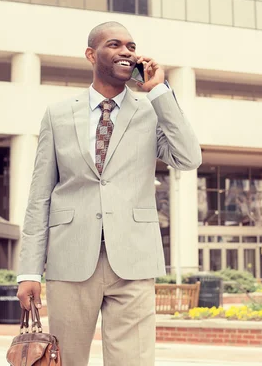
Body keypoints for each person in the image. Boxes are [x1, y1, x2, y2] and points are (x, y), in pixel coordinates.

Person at [16, 21, 202, 366]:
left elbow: (188, 157)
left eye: (131, 47)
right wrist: (29, 271)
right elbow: (40, 195)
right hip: (70, 260)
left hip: (133, 260)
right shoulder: (57, 115)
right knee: (66, 361)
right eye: (114, 44)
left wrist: (160, 92)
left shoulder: (151, 111)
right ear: (91, 54)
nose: (126, 52)